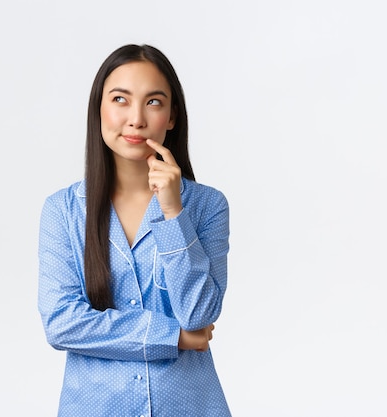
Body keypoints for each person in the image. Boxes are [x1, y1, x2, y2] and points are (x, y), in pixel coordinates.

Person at [38, 44, 231, 416]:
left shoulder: (208, 206)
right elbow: (62, 323)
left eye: (154, 102)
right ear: (99, 109)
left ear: (172, 116)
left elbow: (200, 315)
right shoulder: (62, 211)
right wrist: (172, 337)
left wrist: (172, 212)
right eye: (120, 99)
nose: (136, 118)